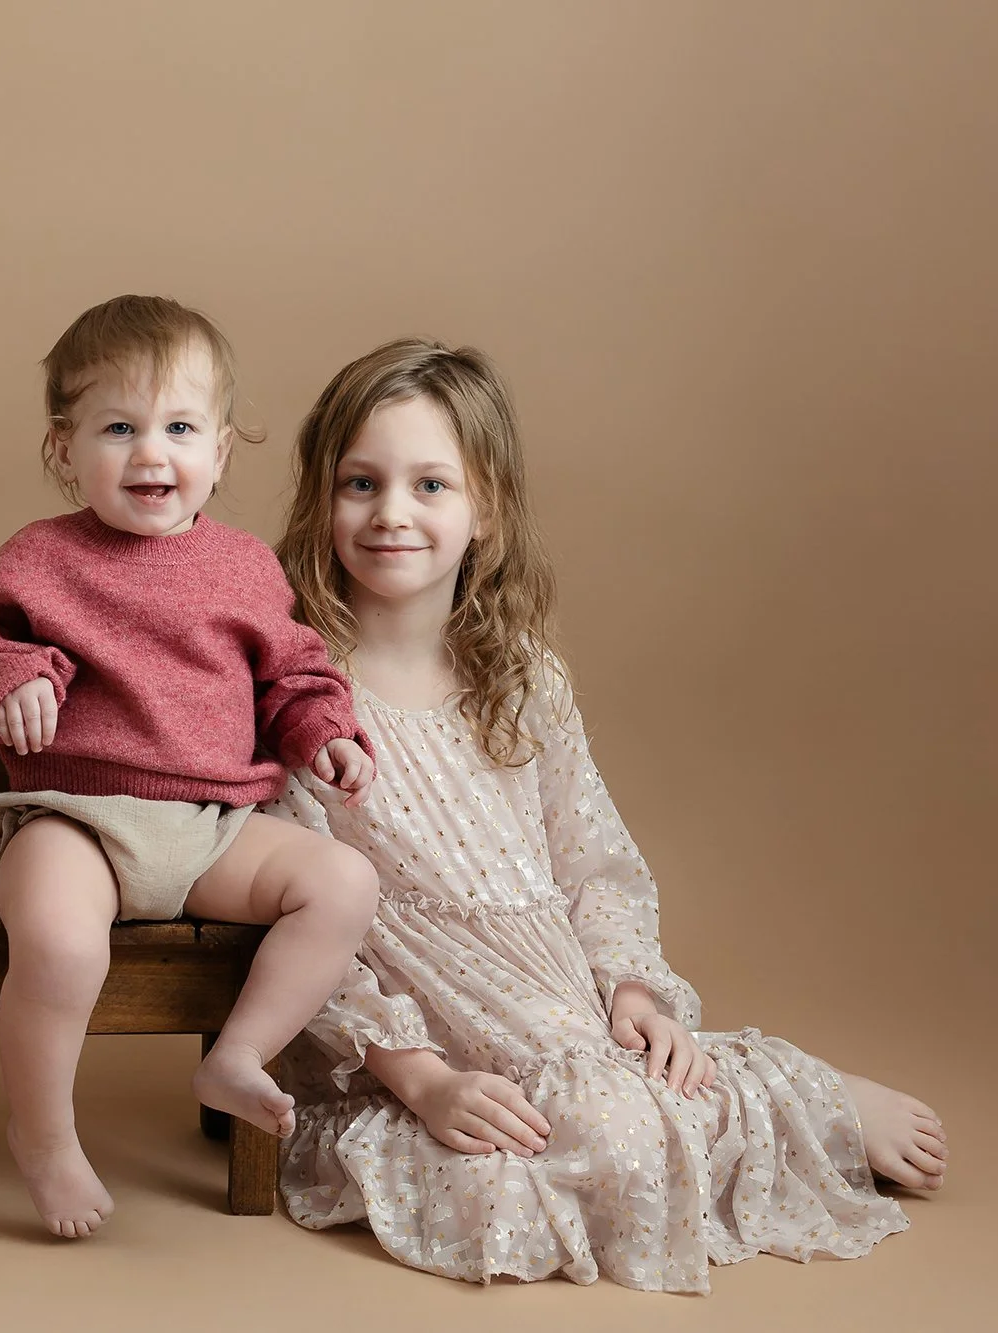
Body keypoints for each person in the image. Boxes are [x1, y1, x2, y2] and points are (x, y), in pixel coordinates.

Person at [267, 338, 946, 1291]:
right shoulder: (300, 693)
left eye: (431, 485)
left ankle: (806, 1099)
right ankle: (781, 1111)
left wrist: (631, 987)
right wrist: (421, 1079)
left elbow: (595, 865)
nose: (392, 514)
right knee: (559, 1165)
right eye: (361, 482)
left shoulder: (520, 680)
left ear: (486, 511)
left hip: (553, 996)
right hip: (411, 1027)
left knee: (645, 1087)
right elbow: (298, 914)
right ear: (321, 496)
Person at [0, 295, 381, 1238]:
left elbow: (295, 673)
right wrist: (10, 674)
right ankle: (45, 1135)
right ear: (65, 450)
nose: (151, 454)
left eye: (179, 428)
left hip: (210, 831)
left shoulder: (247, 567)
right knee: (59, 941)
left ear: (219, 451)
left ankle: (239, 1055)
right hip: (73, 818)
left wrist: (322, 732)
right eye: (119, 428)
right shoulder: (42, 559)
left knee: (341, 881)